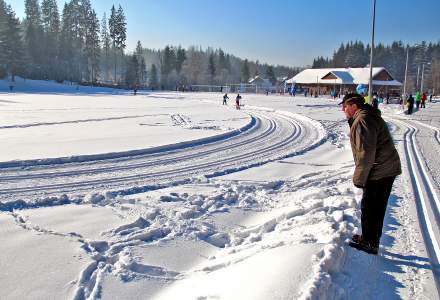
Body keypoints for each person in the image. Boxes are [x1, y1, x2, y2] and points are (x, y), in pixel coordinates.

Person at [340, 93, 402, 255]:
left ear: (354, 106)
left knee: (370, 207)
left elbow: (365, 153)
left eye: (345, 106)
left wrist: (359, 179)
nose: (343, 109)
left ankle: (370, 242)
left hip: (380, 170)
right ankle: (370, 238)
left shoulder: (363, 120)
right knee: (375, 207)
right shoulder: (367, 116)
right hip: (384, 167)